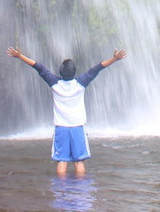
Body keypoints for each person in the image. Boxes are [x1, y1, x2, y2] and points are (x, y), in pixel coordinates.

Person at [7, 45, 127, 176]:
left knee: (61, 161)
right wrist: (114, 59)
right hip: (77, 126)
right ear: (74, 72)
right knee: (79, 161)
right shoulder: (81, 83)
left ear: (60, 72)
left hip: (61, 127)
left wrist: (19, 56)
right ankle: (81, 191)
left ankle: (61, 191)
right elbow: (97, 68)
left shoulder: (54, 83)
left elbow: (38, 67)